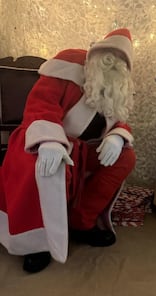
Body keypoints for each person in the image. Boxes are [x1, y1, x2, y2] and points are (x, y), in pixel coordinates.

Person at [0, 28, 136, 273]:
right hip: (39, 139)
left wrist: (117, 136)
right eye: (107, 56)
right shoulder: (69, 62)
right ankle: (35, 243)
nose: (111, 64)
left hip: (80, 151)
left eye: (118, 60)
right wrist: (50, 141)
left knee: (125, 156)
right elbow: (40, 104)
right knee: (41, 164)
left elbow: (118, 118)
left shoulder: (116, 87)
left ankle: (82, 221)